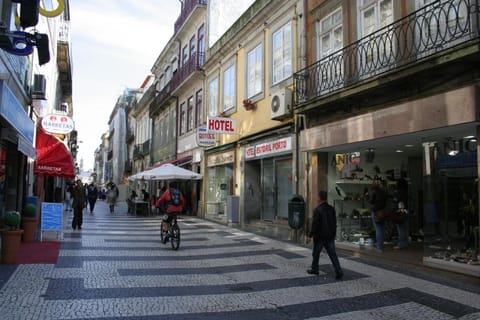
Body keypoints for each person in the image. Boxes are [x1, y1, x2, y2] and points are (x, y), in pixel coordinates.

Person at [307, 190, 343, 280]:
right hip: (330, 236)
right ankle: (338, 271)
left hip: (320, 236)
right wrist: (333, 234)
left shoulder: (317, 210)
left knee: (316, 253)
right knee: (332, 254)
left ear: (319, 198)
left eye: (317, 196)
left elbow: (315, 224)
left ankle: (315, 269)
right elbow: (334, 223)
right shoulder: (331, 208)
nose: (316, 198)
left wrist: (310, 235)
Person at [365, 178, 388, 252]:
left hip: (376, 212)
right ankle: (381, 245)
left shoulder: (374, 192)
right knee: (382, 229)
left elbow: (371, 201)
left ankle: (379, 246)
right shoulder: (384, 191)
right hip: (383, 211)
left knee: (378, 229)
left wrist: (367, 196)